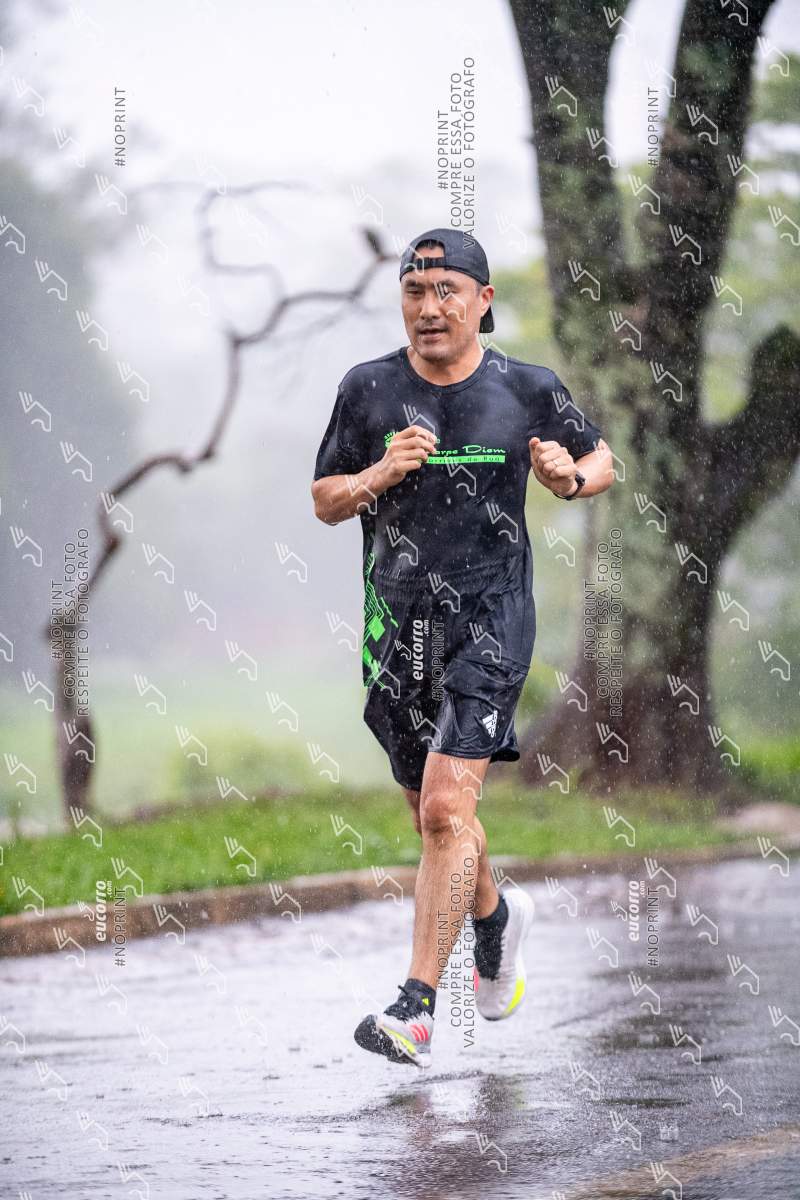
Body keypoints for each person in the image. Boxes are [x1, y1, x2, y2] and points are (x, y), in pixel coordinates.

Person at [311, 228, 615, 1068]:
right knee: (433, 816)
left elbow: (601, 460)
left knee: (449, 810)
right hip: (399, 628)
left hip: (492, 617)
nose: (429, 307)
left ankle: (415, 1009)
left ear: (483, 301)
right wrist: (378, 474)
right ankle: (495, 918)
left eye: (447, 291)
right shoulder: (368, 388)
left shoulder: (526, 386)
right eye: (415, 291)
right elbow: (325, 498)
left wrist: (568, 478)